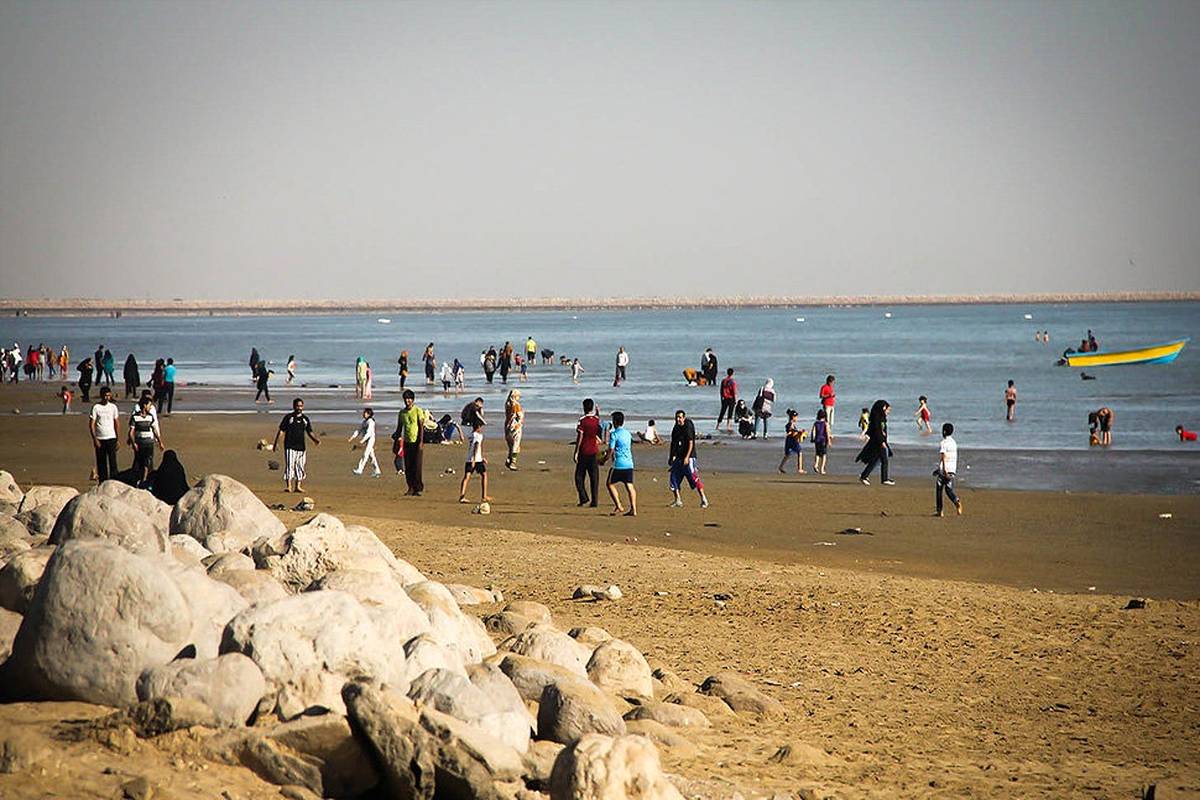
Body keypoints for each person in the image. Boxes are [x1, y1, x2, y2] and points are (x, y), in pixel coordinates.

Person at [272, 398, 320, 493]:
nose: (299, 408)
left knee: (300, 466)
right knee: (290, 465)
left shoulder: (305, 419)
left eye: (301, 406)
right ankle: (289, 486)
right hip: (290, 446)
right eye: (297, 406)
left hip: (301, 447)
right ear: (294, 406)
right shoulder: (288, 418)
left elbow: (309, 432)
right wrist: (276, 443)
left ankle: (298, 486)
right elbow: (281, 431)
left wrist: (315, 440)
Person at [668, 410, 709, 508]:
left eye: (680, 417)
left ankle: (703, 499)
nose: (678, 419)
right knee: (673, 478)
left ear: (684, 418)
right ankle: (678, 500)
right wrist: (672, 456)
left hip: (689, 456)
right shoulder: (676, 428)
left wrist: (687, 457)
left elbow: (691, 443)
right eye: (677, 417)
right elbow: (673, 443)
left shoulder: (688, 426)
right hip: (679, 456)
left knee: (693, 478)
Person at [604, 411, 637, 516]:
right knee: (629, 486)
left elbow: (611, 450)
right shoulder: (627, 434)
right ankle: (633, 509)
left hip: (619, 464)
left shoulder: (614, 434)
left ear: (614, 422)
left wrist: (605, 459)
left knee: (609, 483)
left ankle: (618, 505)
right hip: (629, 463)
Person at [396, 390, 427, 496]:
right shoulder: (402, 413)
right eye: (405, 399)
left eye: (409, 399)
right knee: (408, 466)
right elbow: (399, 428)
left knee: (417, 466)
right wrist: (396, 439)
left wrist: (421, 442)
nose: (407, 401)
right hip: (407, 442)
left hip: (417, 442)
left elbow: (421, 427)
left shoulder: (418, 410)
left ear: (413, 400)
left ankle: (418, 488)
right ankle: (410, 487)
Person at [856, 400, 893, 486]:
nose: (888, 412)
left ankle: (864, 475)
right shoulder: (877, 418)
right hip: (878, 442)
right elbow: (877, 431)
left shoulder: (882, 418)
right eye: (887, 409)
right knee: (884, 460)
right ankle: (884, 479)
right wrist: (882, 442)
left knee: (876, 460)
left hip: (881, 441)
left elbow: (881, 430)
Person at [128, 395, 163, 485]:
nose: (150, 407)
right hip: (140, 443)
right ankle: (136, 479)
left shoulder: (150, 417)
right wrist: (133, 443)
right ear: (144, 405)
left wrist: (160, 442)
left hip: (149, 443)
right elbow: (131, 432)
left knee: (148, 462)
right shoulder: (135, 417)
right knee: (138, 462)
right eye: (149, 405)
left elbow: (154, 430)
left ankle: (144, 480)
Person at [574, 399, 603, 507]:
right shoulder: (595, 420)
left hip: (584, 451)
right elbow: (597, 419)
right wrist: (598, 412)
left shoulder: (582, 421)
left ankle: (583, 497)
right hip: (594, 451)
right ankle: (594, 500)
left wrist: (576, 451)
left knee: (579, 476)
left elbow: (580, 436)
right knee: (594, 477)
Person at [89, 386, 121, 482]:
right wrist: (95, 439)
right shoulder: (96, 407)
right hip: (100, 438)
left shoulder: (113, 407)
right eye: (105, 395)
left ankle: (114, 481)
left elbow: (116, 423)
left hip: (111, 437)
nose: (107, 398)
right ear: (101, 395)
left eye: (109, 396)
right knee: (101, 462)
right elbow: (92, 424)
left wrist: (117, 439)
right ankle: (103, 482)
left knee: (113, 462)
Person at [458, 414, 490, 503]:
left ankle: (462, 496)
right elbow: (476, 446)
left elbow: (473, 447)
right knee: (484, 475)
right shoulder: (478, 436)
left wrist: (482, 457)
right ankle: (484, 496)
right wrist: (475, 460)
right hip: (476, 460)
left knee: (467, 477)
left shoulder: (471, 435)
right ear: (478, 427)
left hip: (470, 458)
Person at [934, 422, 962, 517]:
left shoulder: (943, 443)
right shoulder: (954, 443)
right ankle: (956, 501)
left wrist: (942, 469)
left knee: (939, 489)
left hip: (945, 470)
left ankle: (940, 511)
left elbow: (943, 457)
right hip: (952, 469)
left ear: (944, 432)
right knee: (948, 489)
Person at [349, 408, 381, 477]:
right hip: (366, 440)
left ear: (369, 414)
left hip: (371, 439)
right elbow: (359, 430)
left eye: (365, 413)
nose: (363, 414)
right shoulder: (364, 422)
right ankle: (377, 470)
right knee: (371, 456)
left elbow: (369, 433)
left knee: (365, 454)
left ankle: (360, 470)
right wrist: (352, 437)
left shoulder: (371, 422)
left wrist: (362, 441)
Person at [778, 409, 807, 474]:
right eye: (796, 417)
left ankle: (781, 467)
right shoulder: (790, 424)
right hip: (792, 440)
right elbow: (790, 432)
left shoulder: (791, 423)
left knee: (788, 454)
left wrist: (799, 432)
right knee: (799, 452)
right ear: (793, 417)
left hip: (790, 440)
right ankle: (800, 469)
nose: (797, 418)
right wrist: (799, 432)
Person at [504, 389, 523, 470]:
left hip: (507, 426)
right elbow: (519, 416)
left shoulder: (507, 404)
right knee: (516, 445)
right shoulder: (516, 405)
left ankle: (509, 459)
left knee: (511, 446)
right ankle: (513, 462)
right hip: (515, 426)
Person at [811, 408, 830, 475]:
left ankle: (816, 465)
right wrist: (829, 440)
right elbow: (827, 432)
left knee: (818, 454)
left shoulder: (816, 423)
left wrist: (812, 438)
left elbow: (813, 431)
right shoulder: (825, 423)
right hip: (823, 440)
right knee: (824, 455)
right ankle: (822, 469)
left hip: (817, 440)